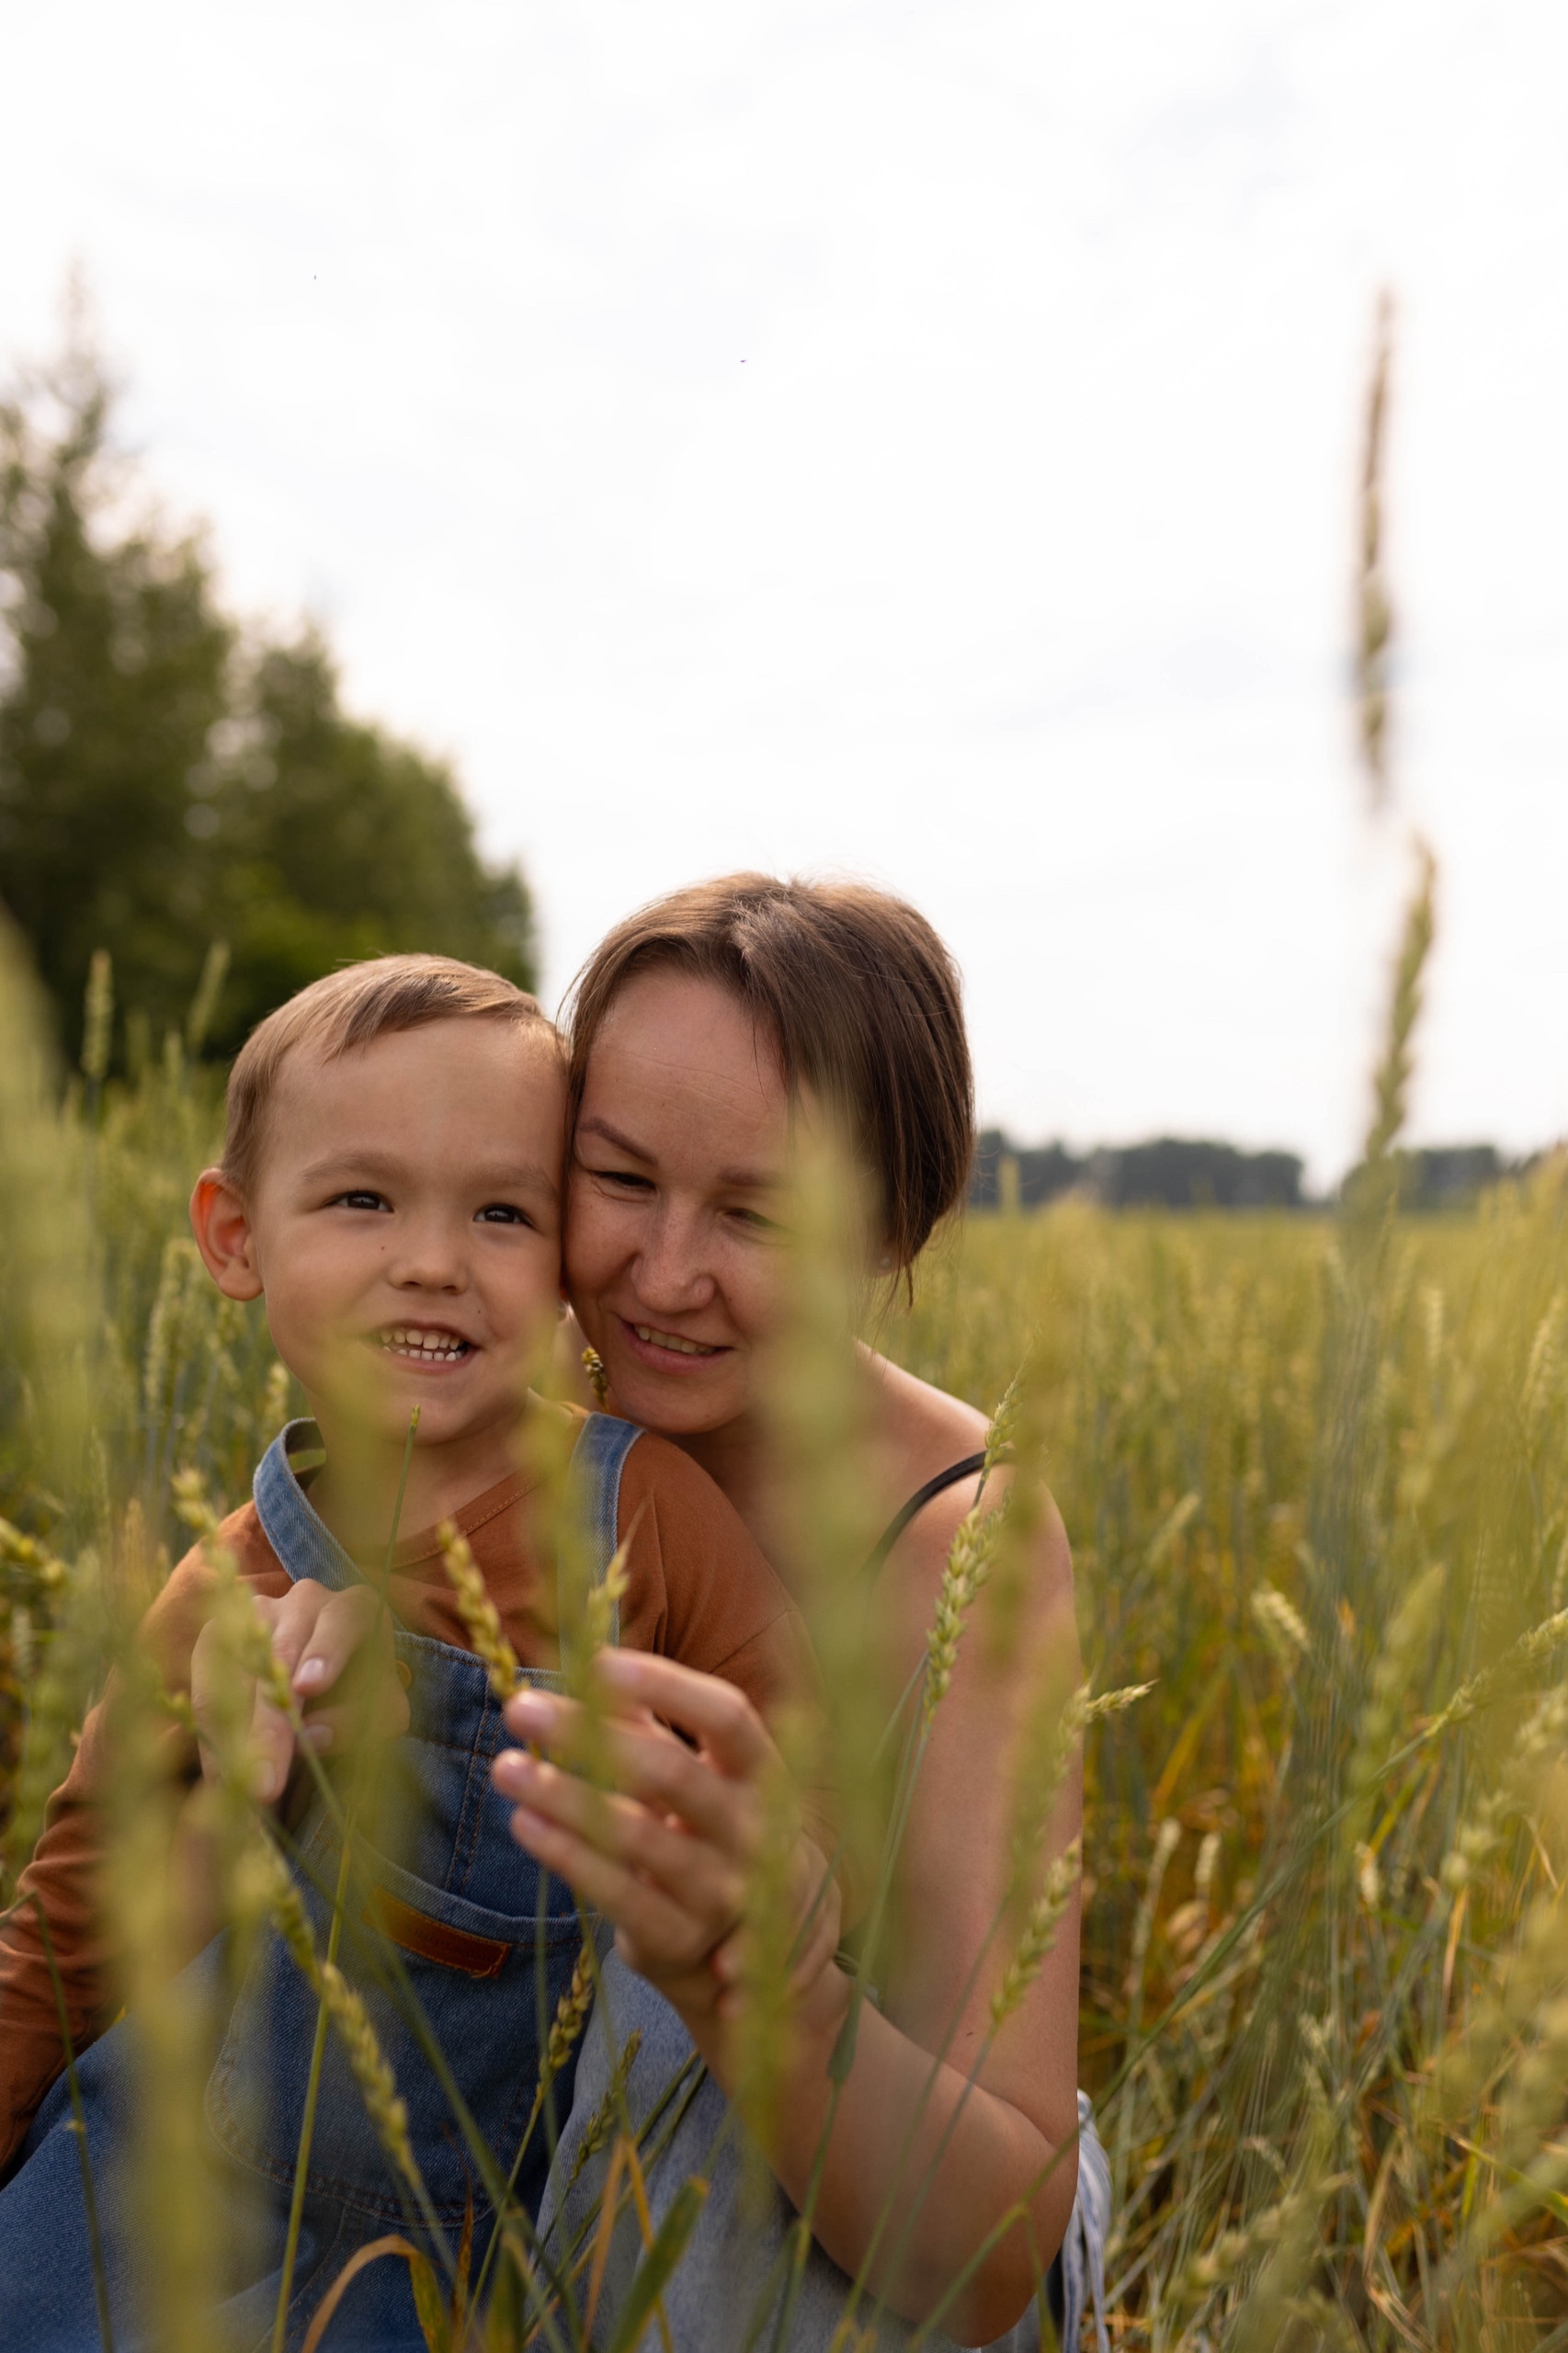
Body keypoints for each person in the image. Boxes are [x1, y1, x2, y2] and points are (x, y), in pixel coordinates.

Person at [0, 953, 833, 2351]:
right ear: (233, 1235)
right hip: (153, 2198)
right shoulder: (224, 1592)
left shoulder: (641, 1519)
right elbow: (65, 1938)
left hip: (470, 2243)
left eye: (503, 1212)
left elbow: (802, 1792)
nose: (434, 1259)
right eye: (362, 1199)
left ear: (564, 1259)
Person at [493, 876, 1109, 2350]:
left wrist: (763, 1983)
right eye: (620, 1178)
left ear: (889, 1229)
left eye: (755, 1214)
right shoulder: (491, 1430)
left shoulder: (966, 1548)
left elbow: (991, 2254)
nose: (663, 1274)